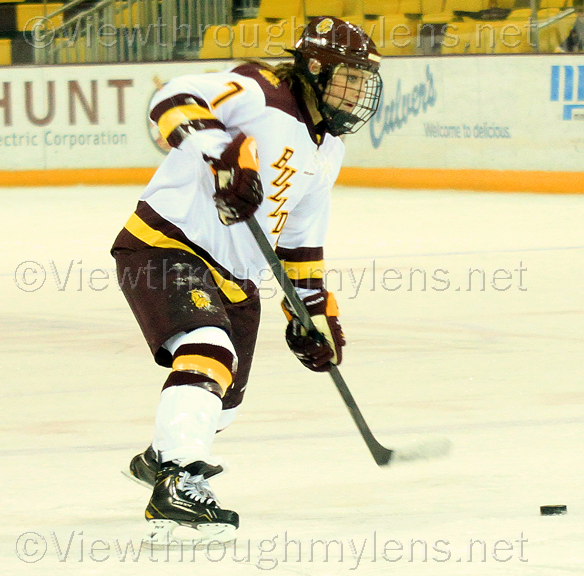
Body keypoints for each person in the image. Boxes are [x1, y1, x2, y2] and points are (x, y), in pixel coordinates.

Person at [111, 16, 382, 543]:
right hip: (165, 245)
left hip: (236, 277)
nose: (356, 91)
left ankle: (161, 457)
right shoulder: (262, 91)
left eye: (362, 81)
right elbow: (172, 97)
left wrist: (314, 316)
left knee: (222, 402)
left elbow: (300, 240)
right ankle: (176, 481)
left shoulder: (329, 151)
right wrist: (225, 155)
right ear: (313, 70)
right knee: (208, 351)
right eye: (347, 77)